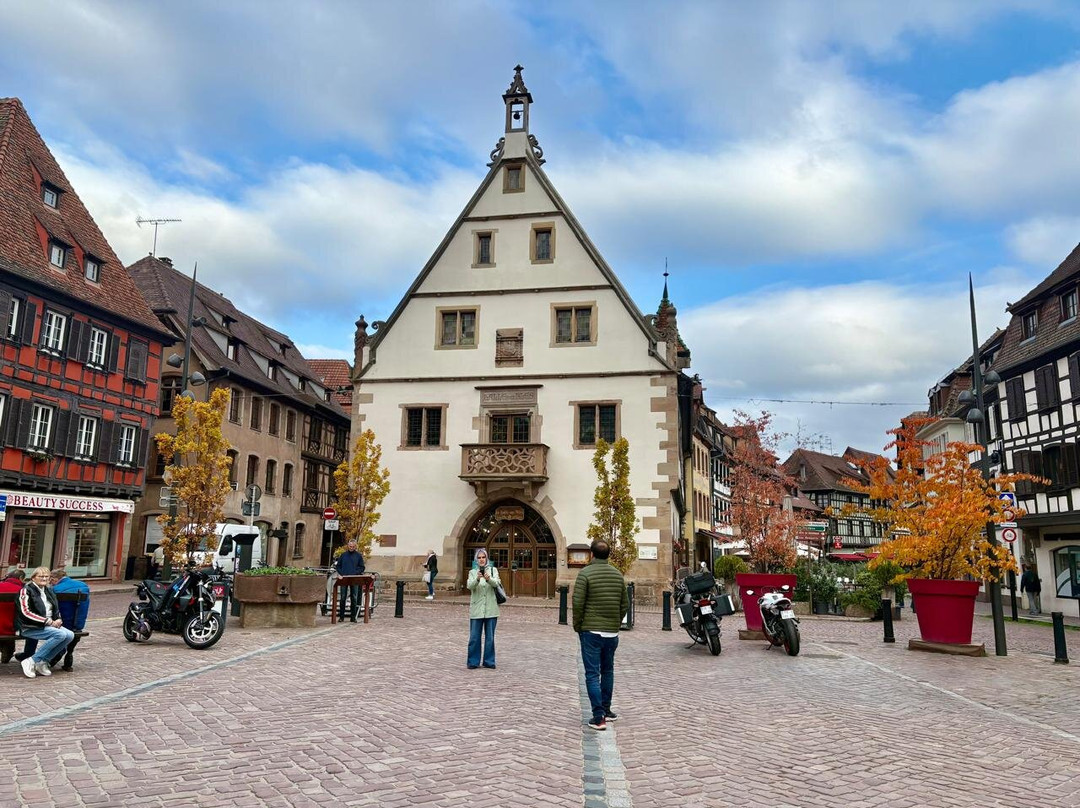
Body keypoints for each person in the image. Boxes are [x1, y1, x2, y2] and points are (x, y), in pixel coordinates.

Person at [572, 539, 629, 731]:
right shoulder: (617, 574)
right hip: (611, 632)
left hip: (591, 631)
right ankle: (607, 709)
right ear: (609, 555)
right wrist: (615, 622)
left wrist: (578, 625)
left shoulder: (585, 574)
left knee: (592, 674)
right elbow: (624, 604)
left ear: (592, 554)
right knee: (608, 671)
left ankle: (598, 717)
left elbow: (578, 603)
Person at [15, 567, 74, 679]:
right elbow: (25, 612)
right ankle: (31, 660)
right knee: (60, 634)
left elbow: (55, 609)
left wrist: (58, 619)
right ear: (33, 578)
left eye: (46, 576)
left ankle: (42, 661)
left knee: (70, 635)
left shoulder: (48, 590)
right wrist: (47, 621)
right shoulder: (26, 590)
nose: (44, 578)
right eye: (41, 576)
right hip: (28, 626)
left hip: (47, 624)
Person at [466, 548, 501, 669]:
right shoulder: (472, 572)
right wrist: (477, 578)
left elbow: (497, 583)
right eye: (479, 558)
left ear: (487, 558)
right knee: (474, 637)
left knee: (490, 638)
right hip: (477, 609)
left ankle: (489, 661)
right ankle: (473, 661)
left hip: (491, 609)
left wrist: (488, 578)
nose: (481, 560)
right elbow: (469, 586)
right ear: (476, 560)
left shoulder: (493, 570)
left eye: (483, 557)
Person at [48, 568, 89, 671]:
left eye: (51, 580)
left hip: (63, 624)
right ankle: (68, 655)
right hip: (78, 624)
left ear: (55, 579)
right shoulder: (83, 586)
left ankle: (51, 657)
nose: (50, 582)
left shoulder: (55, 589)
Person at [0, 568, 27, 664]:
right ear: (20, 578)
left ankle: (6, 649)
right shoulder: (23, 591)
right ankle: (8, 651)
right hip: (11, 629)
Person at [335, 539, 366, 622]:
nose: (351, 548)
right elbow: (338, 566)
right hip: (344, 578)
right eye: (350, 546)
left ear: (355, 546)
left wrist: (355, 573)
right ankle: (341, 617)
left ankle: (353, 617)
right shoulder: (343, 555)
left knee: (354, 597)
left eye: (353, 546)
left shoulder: (358, 556)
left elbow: (362, 567)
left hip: (354, 578)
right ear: (348, 546)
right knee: (343, 597)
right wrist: (341, 574)